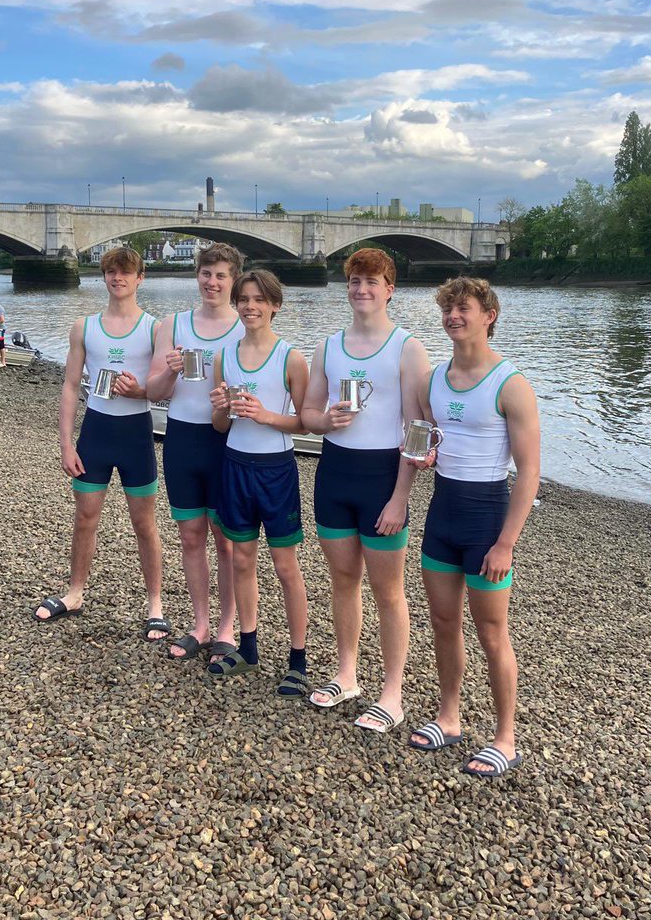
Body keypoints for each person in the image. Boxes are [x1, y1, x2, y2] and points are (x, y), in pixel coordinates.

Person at [408, 277, 540, 780]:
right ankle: (450, 716)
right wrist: (423, 455)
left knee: (492, 632)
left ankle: (506, 739)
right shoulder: (433, 380)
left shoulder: (511, 384)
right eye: (447, 309)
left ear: (489, 315)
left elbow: (528, 471)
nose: (453, 317)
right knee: (443, 624)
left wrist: (507, 542)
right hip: (442, 515)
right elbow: (424, 439)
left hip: (487, 519)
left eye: (463, 308)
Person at [301, 248, 430, 734]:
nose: (362, 290)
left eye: (372, 281)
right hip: (334, 473)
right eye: (355, 281)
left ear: (389, 288)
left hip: (382, 478)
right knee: (342, 581)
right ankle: (346, 674)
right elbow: (309, 415)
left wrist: (401, 497)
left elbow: (418, 428)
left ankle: (392, 693)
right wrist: (325, 419)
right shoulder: (328, 347)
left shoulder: (407, 348)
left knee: (389, 591)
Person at [33, 247, 168, 642]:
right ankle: (75, 593)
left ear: (140, 278)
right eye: (111, 272)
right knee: (85, 518)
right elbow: (71, 386)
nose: (118, 278)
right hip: (95, 433)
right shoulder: (84, 327)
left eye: (126, 272)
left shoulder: (154, 329)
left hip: (135, 435)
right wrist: (66, 444)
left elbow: (161, 389)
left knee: (144, 524)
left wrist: (139, 390)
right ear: (103, 276)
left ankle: (155, 605)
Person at [207, 269, 311, 698]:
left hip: (275, 470)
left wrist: (267, 415)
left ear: (275, 305)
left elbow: (305, 421)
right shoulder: (223, 357)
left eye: (258, 300)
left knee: (286, 567)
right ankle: (248, 649)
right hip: (235, 465)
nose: (250, 307)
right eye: (243, 299)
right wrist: (222, 408)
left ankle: (298, 660)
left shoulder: (291, 357)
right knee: (241, 561)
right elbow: (219, 426)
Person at [147, 243, 245, 665]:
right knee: (190, 536)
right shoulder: (174, 323)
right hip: (183, 437)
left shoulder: (245, 326)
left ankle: (227, 627)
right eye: (207, 273)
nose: (212, 282)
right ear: (197, 276)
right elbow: (154, 392)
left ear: (234, 280)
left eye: (222, 275)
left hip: (227, 440)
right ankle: (199, 624)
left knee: (226, 540)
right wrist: (168, 368)